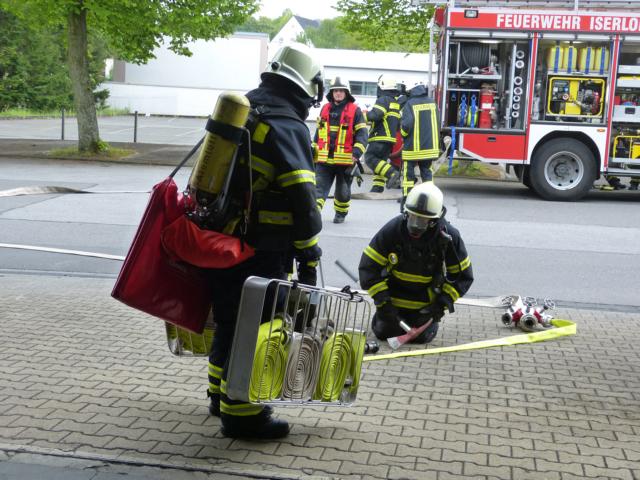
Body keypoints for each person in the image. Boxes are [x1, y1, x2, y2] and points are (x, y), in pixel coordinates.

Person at [205, 43, 323, 439]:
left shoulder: (246, 110)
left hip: (222, 239)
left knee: (228, 319)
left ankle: (219, 395)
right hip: (262, 249)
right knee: (257, 327)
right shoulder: (287, 125)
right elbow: (303, 197)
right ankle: (244, 416)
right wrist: (309, 250)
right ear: (307, 86)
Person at [358, 182, 473, 343]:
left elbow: (462, 277)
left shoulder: (447, 237)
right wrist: (383, 303)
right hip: (393, 302)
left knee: (421, 338)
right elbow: (369, 268)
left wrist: (440, 305)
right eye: (412, 218)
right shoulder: (392, 230)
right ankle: (385, 318)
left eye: (422, 221)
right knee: (384, 333)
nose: (415, 226)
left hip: (425, 306)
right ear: (405, 213)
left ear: (434, 220)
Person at [313, 76, 368, 223]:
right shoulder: (325, 108)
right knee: (318, 189)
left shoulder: (355, 111)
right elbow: (319, 133)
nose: (338, 93)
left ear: (346, 93)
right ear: (331, 93)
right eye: (335, 91)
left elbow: (362, 135)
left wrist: (356, 153)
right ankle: (314, 215)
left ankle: (340, 214)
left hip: (345, 160)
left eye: (341, 91)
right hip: (324, 160)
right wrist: (313, 152)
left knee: (342, 192)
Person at [399, 83, 441, 208]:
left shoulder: (410, 104)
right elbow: (438, 123)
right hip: (430, 147)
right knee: (427, 173)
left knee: (408, 174)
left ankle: (407, 198)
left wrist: (403, 134)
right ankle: (429, 199)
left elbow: (406, 125)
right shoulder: (432, 103)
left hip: (413, 148)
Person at [363, 75, 402, 193]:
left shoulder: (383, 99)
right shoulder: (395, 103)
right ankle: (378, 187)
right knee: (380, 163)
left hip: (379, 137)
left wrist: (362, 116)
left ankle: (392, 173)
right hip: (390, 139)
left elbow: (376, 115)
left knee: (370, 158)